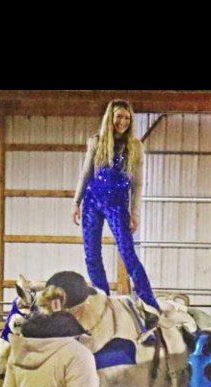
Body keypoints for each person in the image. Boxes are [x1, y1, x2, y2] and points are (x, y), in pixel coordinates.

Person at [71, 98, 158, 311]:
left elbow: (137, 184)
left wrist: (134, 213)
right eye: (119, 116)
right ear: (110, 117)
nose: (123, 121)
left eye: (127, 118)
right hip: (92, 201)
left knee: (127, 253)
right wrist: (76, 202)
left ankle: (149, 301)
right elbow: (85, 173)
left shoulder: (135, 146)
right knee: (91, 254)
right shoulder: (96, 142)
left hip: (118, 203)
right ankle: (103, 299)